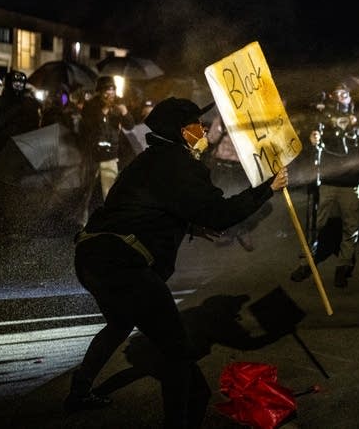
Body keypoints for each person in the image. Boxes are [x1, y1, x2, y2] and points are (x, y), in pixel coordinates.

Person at [64, 97, 289, 429]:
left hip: (92, 257)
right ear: (182, 132)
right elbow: (220, 212)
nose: (203, 131)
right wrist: (266, 189)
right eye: (197, 126)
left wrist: (194, 224)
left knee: (120, 324)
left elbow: (151, 206)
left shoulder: (152, 159)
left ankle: (79, 392)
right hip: (122, 265)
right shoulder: (177, 165)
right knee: (178, 353)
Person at [291, 83, 359, 288]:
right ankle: (306, 264)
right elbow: (308, 156)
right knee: (315, 225)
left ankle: (343, 266)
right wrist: (311, 143)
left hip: (351, 185)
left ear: (351, 99)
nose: (340, 98)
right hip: (326, 183)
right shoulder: (322, 123)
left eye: (345, 94)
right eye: (336, 94)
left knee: (350, 226)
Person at [204, 111, 273, 251]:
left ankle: (239, 229)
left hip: (236, 167)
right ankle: (231, 230)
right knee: (226, 201)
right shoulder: (224, 120)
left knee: (241, 200)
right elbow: (211, 139)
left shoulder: (233, 120)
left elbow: (211, 139)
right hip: (223, 167)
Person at [76, 76, 135, 225]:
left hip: (110, 155)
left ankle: (112, 221)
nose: (110, 94)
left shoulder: (119, 104)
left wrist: (124, 113)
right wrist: (104, 110)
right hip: (93, 155)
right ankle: (80, 220)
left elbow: (130, 125)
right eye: (107, 91)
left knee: (110, 191)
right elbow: (87, 125)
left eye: (112, 90)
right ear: (99, 92)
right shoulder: (91, 106)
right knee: (86, 190)